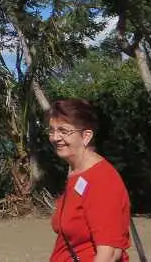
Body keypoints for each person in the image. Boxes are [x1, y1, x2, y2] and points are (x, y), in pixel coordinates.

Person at [49, 98, 131, 262]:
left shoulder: (101, 180)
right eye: (52, 130)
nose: (55, 137)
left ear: (86, 136)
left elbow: (109, 253)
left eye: (64, 131)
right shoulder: (77, 173)